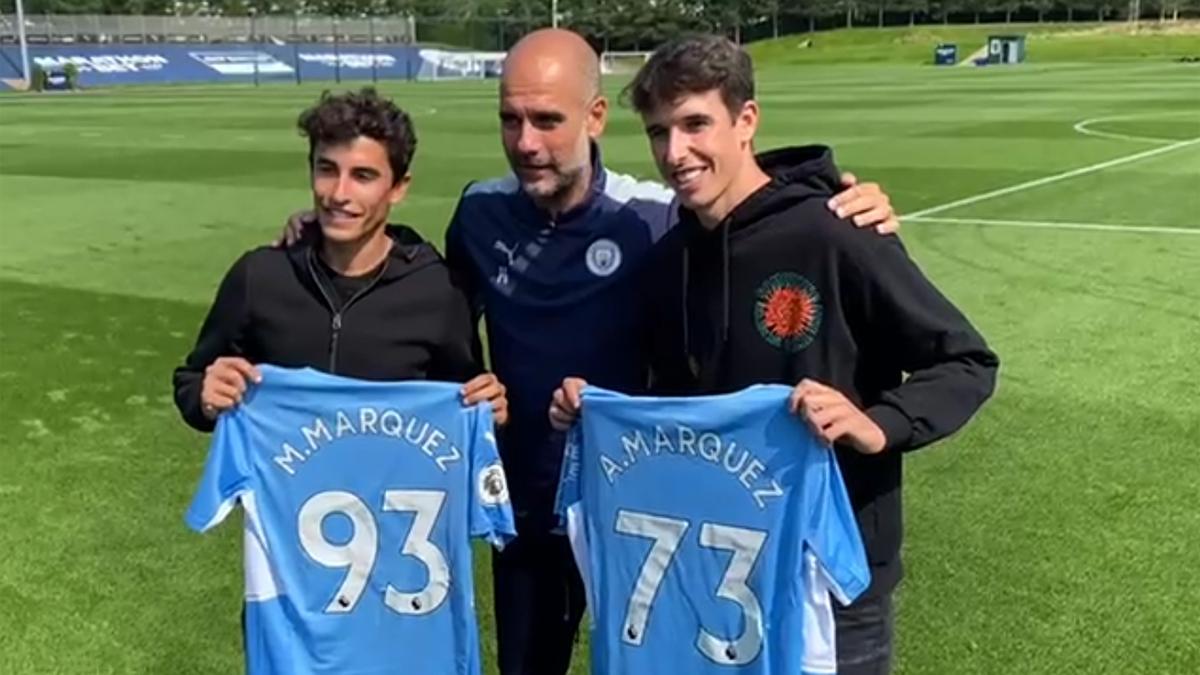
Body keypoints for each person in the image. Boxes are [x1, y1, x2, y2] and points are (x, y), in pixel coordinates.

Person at [280, 28, 900, 675]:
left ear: (595, 115)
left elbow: (742, 201)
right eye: (510, 120)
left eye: (547, 121)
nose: (526, 142)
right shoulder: (479, 213)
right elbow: (426, 295)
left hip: (641, 513)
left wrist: (831, 192)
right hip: (526, 507)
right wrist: (328, 234)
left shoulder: (654, 216)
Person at [550, 34, 999, 675]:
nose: (675, 153)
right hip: (710, 563)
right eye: (658, 133)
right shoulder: (665, 264)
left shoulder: (834, 232)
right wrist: (587, 405)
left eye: (695, 124)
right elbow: (656, 399)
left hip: (831, 577)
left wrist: (880, 424)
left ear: (747, 121)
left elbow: (965, 360)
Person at [173, 86, 508, 434]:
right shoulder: (259, 277)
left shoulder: (438, 291)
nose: (339, 194)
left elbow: (463, 403)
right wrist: (204, 395)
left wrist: (489, 409)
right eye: (327, 170)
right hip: (279, 487)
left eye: (363, 176)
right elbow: (193, 379)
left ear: (398, 187)